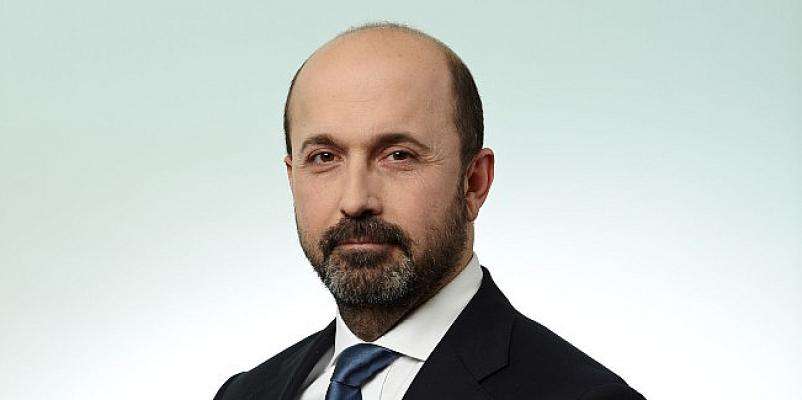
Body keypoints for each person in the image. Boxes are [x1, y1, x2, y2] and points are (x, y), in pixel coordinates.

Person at [214, 22, 645, 400]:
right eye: (324, 157)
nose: (356, 200)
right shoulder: (245, 393)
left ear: (474, 182)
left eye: (398, 155)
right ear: (293, 178)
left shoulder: (585, 395)